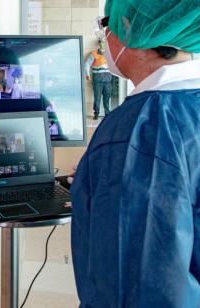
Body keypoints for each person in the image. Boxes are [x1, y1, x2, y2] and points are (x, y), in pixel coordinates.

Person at [71, 1, 200, 306]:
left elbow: (135, 286)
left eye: (107, 24)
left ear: (128, 28)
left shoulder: (143, 131)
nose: (105, 35)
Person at [84, 39, 113, 120]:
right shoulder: (94, 54)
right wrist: (87, 74)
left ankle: (107, 113)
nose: (103, 45)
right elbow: (86, 64)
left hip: (107, 79)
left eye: (105, 43)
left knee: (107, 97)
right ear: (99, 44)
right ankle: (96, 113)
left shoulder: (109, 54)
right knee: (97, 97)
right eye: (102, 43)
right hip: (98, 79)